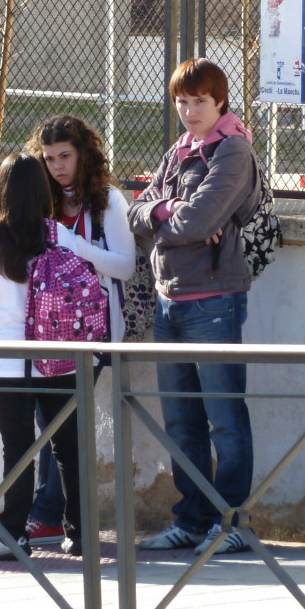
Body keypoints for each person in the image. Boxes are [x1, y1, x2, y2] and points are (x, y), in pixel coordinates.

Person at [126, 58, 261, 555]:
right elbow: (136, 212)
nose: (188, 111)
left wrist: (174, 216)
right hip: (168, 300)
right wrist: (165, 209)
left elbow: (199, 223)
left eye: (198, 101)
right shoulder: (179, 150)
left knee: (224, 418)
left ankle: (231, 524)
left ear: (219, 101)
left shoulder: (233, 150)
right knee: (181, 420)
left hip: (214, 302)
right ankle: (191, 519)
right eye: (181, 102)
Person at [0, 154, 97, 561]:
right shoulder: (59, 233)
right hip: (60, 356)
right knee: (69, 448)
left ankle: (14, 535)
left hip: (8, 361)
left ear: (0, 191)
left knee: (16, 449)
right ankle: (80, 534)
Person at [22, 115, 135, 546]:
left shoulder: (107, 201)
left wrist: (74, 245)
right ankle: (59, 515)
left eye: (65, 156)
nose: (57, 166)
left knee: (64, 421)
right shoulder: (41, 198)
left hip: (94, 332)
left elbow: (125, 265)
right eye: (48, 158)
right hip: (45, 332)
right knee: (49, 421)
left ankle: (53, 515)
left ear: (84, 153)